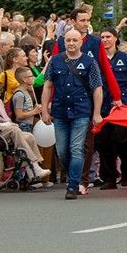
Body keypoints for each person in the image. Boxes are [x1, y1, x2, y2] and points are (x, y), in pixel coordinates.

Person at [40, 29, 103, 200]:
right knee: (62, 151)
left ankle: (73, 184)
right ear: (64, 42)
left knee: (76, 148)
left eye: (75, 40)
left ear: (81, 42)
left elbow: (97, 88)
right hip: (60, 111)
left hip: (81, 111)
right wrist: (44, 110)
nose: (71, 43)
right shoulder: (55, 61)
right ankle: (73, 174)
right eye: (68, 40)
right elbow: (47, 86)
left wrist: (97, 113)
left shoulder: (90, 62)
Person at [95, 27, 127, 189]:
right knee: (103, 143)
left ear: (115, 38)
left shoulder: (125, 58)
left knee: (122, 140)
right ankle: (109, 178)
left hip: (121, 108)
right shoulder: (96, 59)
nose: (105, 40)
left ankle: (126, 171)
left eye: (108, 36)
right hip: (102, 108)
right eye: (102, 37)